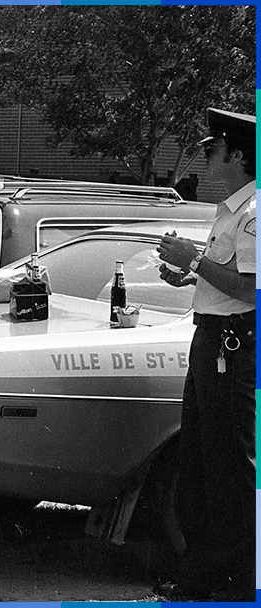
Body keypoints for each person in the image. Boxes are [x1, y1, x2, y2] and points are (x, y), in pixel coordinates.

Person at [153, 108, 255, 602]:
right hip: (211, 339)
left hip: (234, 345)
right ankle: (204, 576)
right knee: (199, 458)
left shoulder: (254, 211)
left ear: (238, 155)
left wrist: (192, 260)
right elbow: (225, 280)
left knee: (230, 464)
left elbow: (252, 291)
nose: (207, 155)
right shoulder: (231, 210)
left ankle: (237, 581)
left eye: (214, 148)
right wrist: (191, 274)